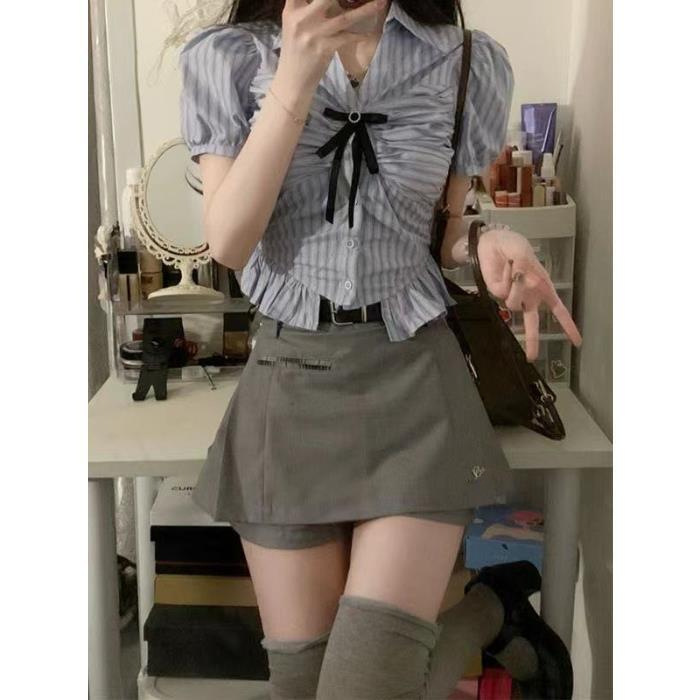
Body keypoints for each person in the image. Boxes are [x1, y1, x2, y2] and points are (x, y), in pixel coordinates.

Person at [178, 1, 583, 697]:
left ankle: (488, 611)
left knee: (365, 686)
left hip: (414, 385)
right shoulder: (229, 57)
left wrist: (486, 240)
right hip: (289, 386)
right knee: (304, 684)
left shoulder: (464, 60)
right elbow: (230, 243)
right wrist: (296, 76)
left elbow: (446, 233)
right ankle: (492, 610)